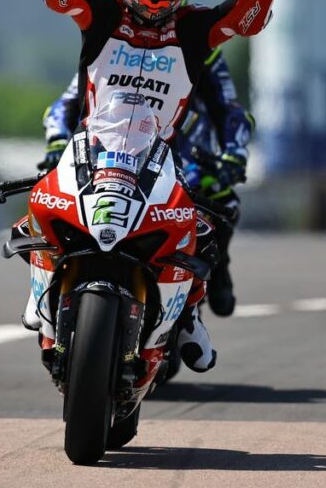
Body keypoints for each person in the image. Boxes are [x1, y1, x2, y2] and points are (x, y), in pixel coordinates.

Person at [24, 0, 302, 372]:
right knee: (39, 205)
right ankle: (42, 292)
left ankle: (188, 312)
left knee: (202, 230)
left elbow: (245, 18)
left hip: (161, 158)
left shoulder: (195, 29)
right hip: (92, 150)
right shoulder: (104, 15)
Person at [37, 45, 254, 317]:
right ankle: (49, 284)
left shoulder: (200, 43)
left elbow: (230, 109)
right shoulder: (110, 39)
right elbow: (68, 100)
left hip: (178, 153)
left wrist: (234, 153)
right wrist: (57, 140)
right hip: (106, 152)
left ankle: (208, 281)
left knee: (222, 201)